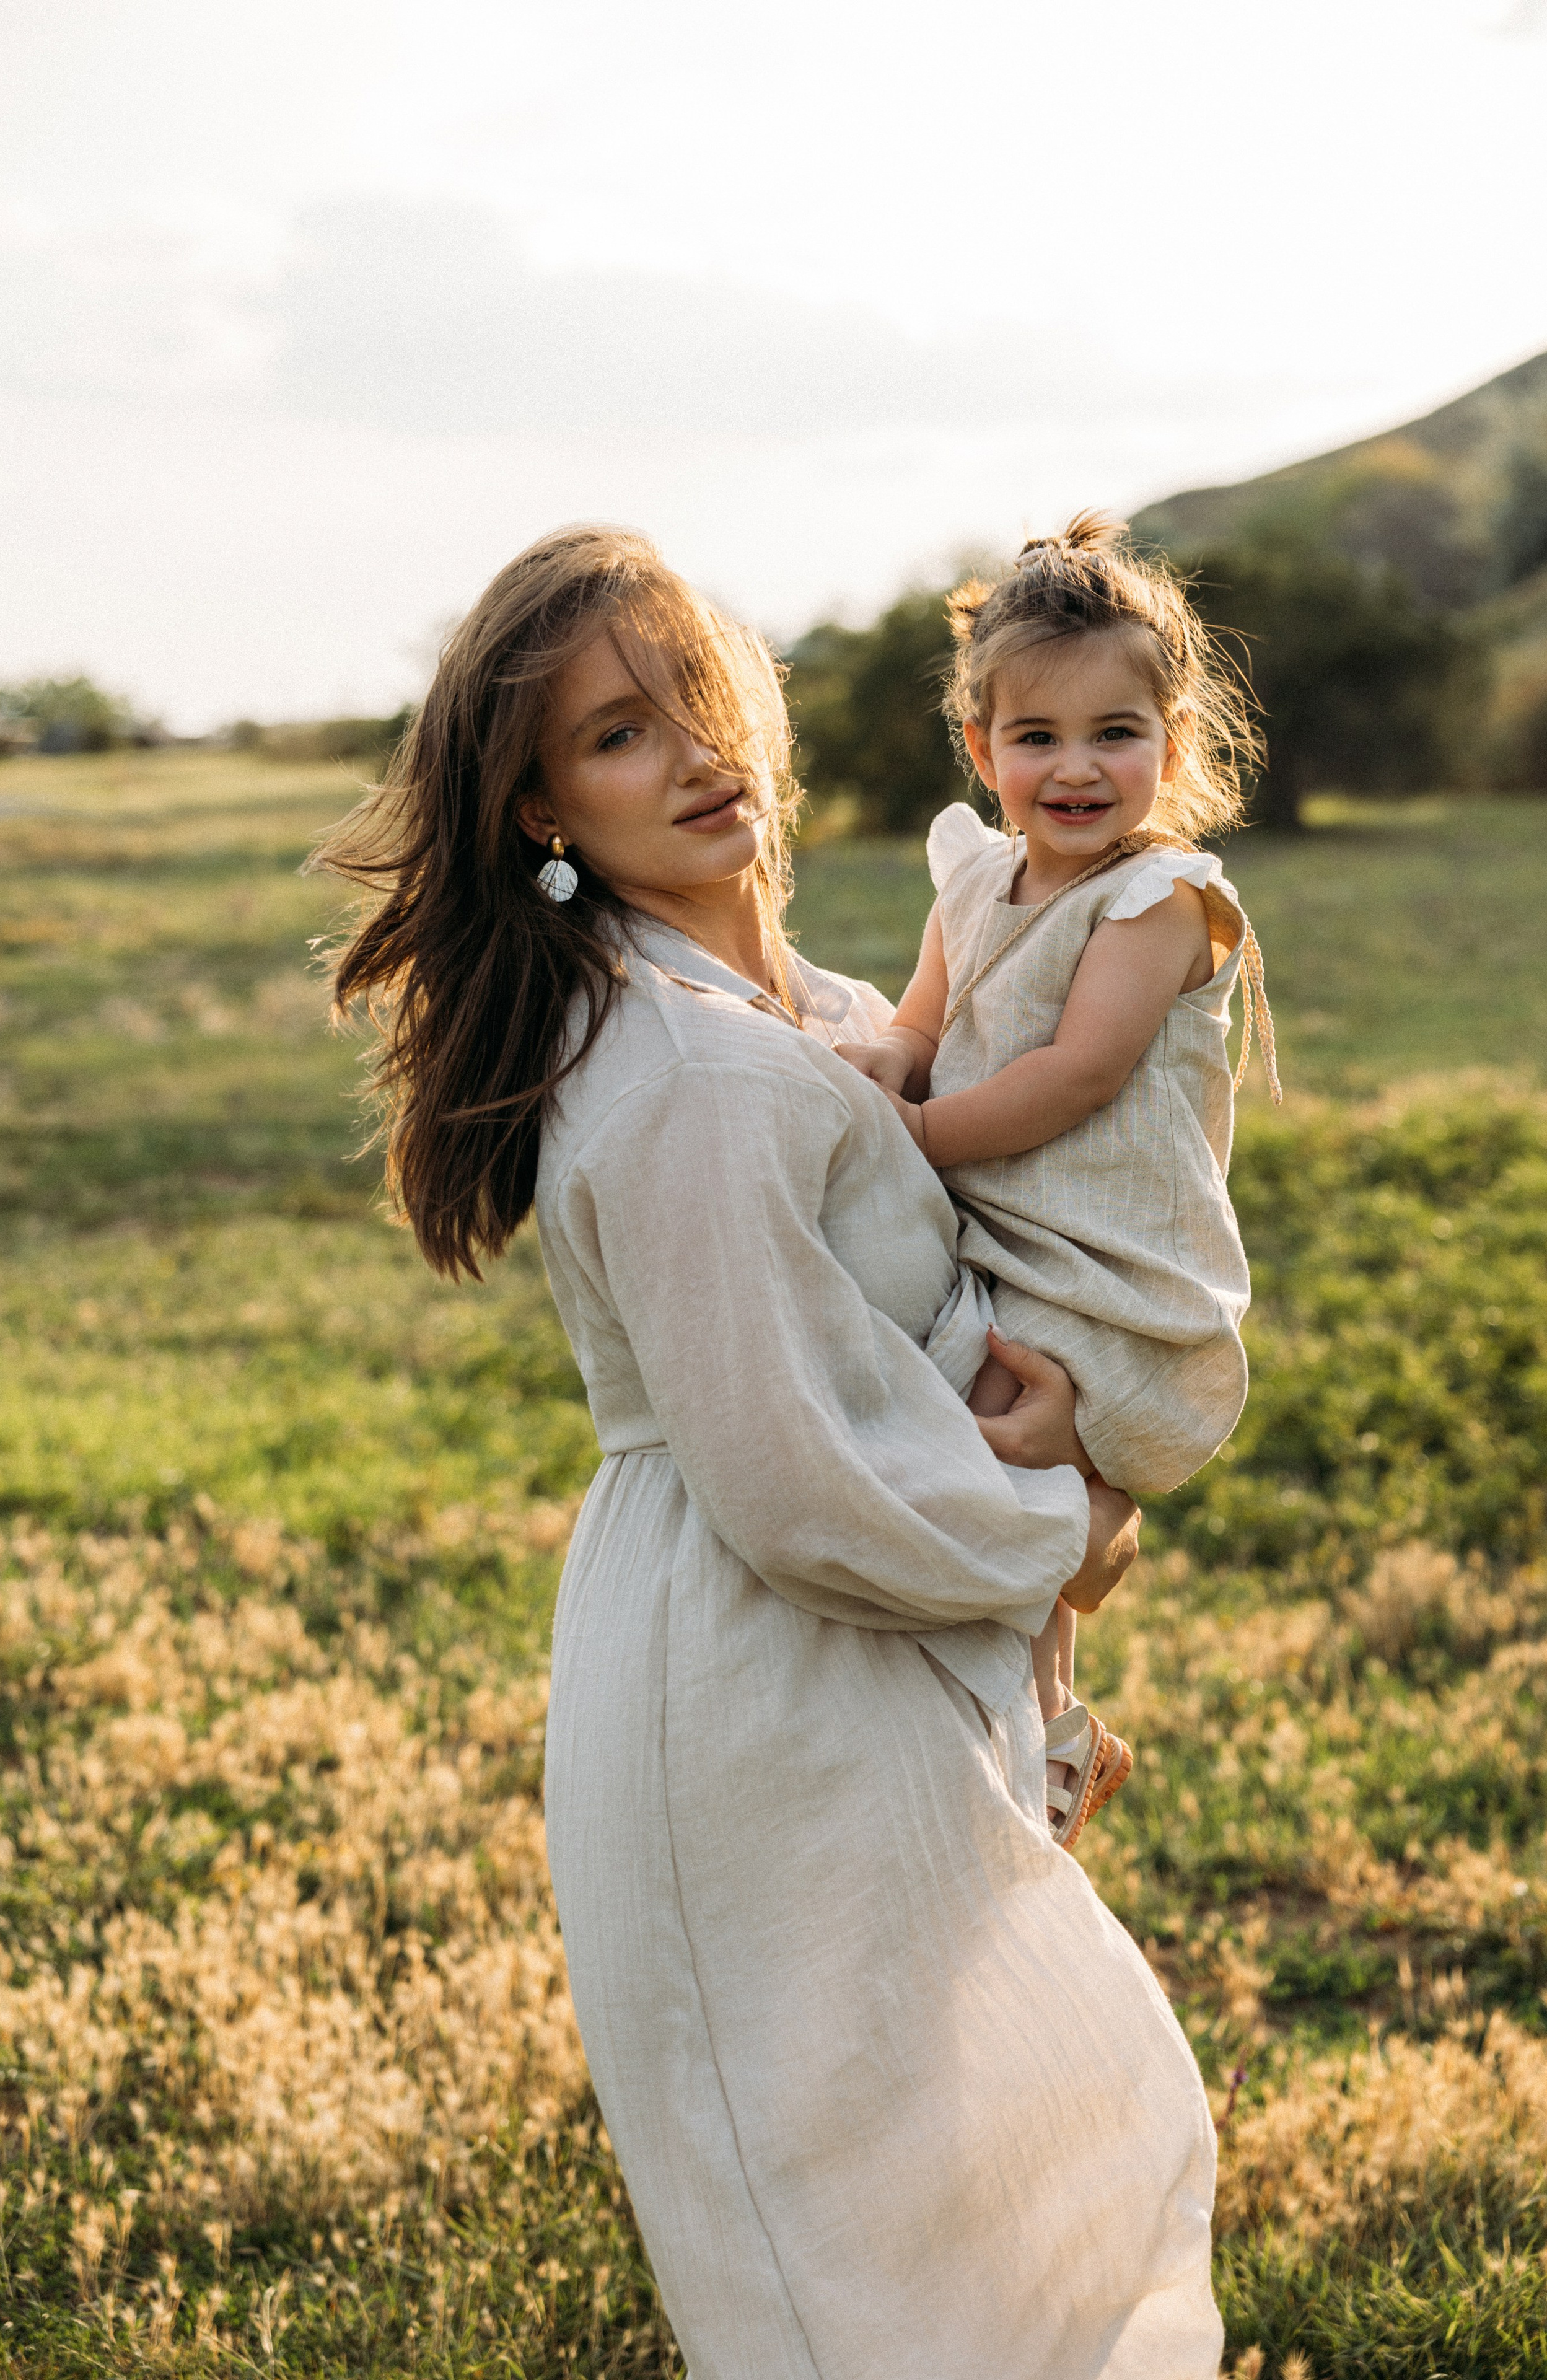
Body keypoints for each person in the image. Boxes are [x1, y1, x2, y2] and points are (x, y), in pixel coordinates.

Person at [315, 525, 1224, 2380]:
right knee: (867, 2247)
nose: (694, 754)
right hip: (763, 1667)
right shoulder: (689, 1075)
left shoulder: (815, 1018)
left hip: (880, 1638)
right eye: (618, 736)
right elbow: (798, 1475)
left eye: (698, 697)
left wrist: (1070, 1456)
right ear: (541, 811)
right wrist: (1065, 1519)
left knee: (998, 2173)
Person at [838, 512, 1279, 1851]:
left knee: (1008, 1431)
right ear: (983, 751)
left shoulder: (1159, 903)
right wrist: (886, 1064)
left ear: (1170, 743)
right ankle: (1032, 1707)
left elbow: (1075, 1073)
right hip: (1008, 1233)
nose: (1076, 767)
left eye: (1114, 734)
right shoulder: (974, 880)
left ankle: (1045, 1725)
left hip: (1106, 1258)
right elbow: (923, 1017)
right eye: (1037, 736)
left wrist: (912, 1138)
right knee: (970, 1436)